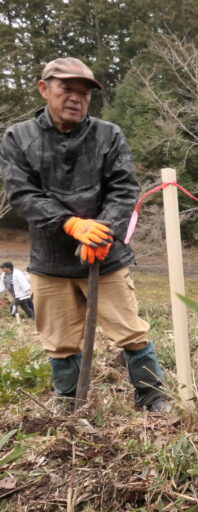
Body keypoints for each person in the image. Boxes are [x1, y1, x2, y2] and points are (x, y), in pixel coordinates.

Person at [0, 57, 169, 412]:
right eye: (67, 89)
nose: (76, 98)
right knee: (60, 341)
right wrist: (71, 224)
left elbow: (123, 190)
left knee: (130, 332)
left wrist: (102, 233)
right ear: (44, 89)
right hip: (50, 260)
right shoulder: (19, 137)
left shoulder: (108, 135)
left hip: (104, 257)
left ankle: (151, 397)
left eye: (84, 93)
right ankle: (69, 403)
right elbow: (22, 194)